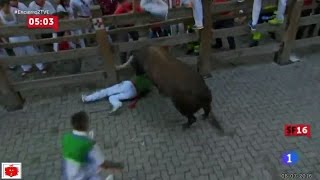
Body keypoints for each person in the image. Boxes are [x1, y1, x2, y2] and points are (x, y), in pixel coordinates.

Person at [61, 111, 124, 180]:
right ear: (85, 124)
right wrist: (117, 165)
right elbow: (103, 163)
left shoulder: (66, 138)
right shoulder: (89, 145)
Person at [82, 56, 153, 114]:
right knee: (112, 97)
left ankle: (87, 98)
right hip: (133, 94)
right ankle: (117, 104)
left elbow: (128, 62)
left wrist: (126, 62)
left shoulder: (140, 72)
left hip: (128, 85)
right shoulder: (149, 81)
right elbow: (145, 91)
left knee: (107, 91)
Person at [0, 0, 46, 76]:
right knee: (19, 53)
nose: (6, 8)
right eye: (3, 7)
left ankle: (41, 66)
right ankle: (26, 68)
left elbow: (26, 16)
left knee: (31, 50)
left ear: (8, 5)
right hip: (12, 37)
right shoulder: (0, 15)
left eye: (6, 6)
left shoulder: (15, 10)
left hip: (22, 34)